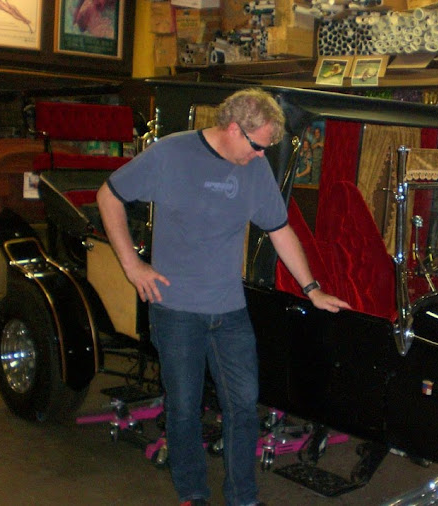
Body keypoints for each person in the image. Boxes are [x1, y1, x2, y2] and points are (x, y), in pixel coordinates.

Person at [96, 88, 351, 506]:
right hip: (176, 309)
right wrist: (132, 265)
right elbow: (109, 196)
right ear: (233, 128)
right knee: (183, 409)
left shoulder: (253, 167)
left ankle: (242, 497)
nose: (261, 156)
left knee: (243, 407)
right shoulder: (170, 154)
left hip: (229, 311)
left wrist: (313, 289)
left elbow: (279, 229)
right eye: (258, 146)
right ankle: (193, 494)